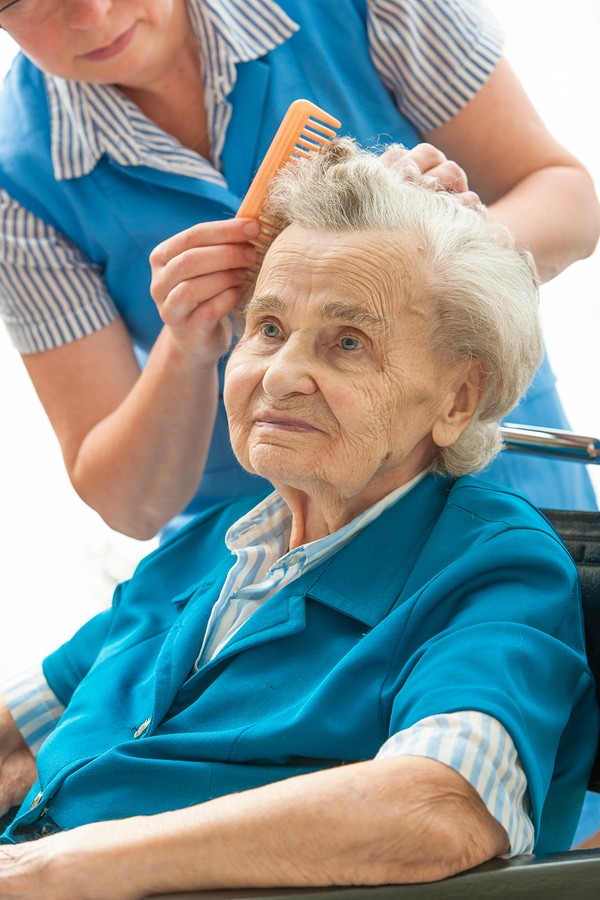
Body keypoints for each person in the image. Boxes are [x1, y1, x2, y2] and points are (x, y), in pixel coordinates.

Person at [0, 141, 597, 898]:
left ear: (457, 400)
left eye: (347, 344)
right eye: (269, 328)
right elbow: (18, 737)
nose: (280, 376)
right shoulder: (211, 545)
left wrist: (65, 866)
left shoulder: (493, 567)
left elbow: (441, 804)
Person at [0, 0, 598, 547]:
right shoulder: (17, 184)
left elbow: (570, 200)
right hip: (260, 544)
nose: (93, 13)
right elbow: (128, 503)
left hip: (496, 487)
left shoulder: (369, 9)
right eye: (26, 1)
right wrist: (184, 345)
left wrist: (442, 246)